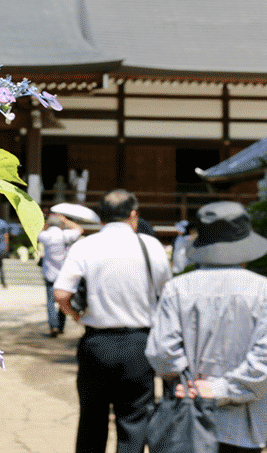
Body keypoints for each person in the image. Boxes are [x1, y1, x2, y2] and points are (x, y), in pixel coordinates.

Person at [145, 201, 267, 453]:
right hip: (243, 423)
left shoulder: (178, 288)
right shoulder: (266, 291)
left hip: (186, 418)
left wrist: (187, 381)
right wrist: (221, 388)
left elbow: (161, 350)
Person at [53, 189, 172, 453]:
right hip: (139, 343)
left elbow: (61, 293)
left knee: (92, 418)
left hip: (97, 342)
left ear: (101, 218)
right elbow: (167, 294)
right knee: (134, 420)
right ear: (133, 215)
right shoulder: (150, 245)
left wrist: (74, 314)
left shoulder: (85, 245)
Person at [37, 212, 84, 337]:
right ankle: (61, 326)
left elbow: (36, 232)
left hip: (49, 272)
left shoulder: (45, 236)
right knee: (63, 299)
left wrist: (46, 224)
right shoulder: (65, 234)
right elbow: (79, 229)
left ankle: (54, 326)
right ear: (61, 224)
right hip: (63, 273)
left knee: (50, 302)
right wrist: (65, 220)